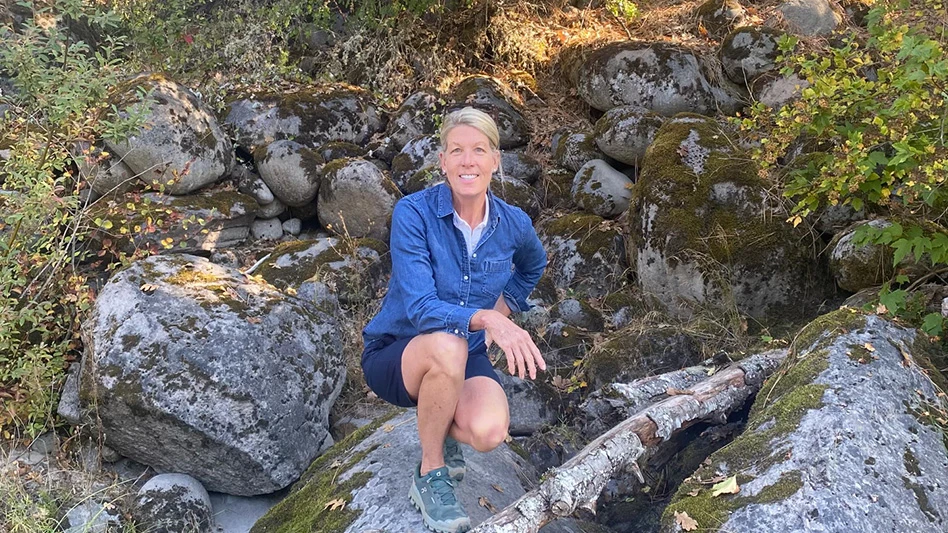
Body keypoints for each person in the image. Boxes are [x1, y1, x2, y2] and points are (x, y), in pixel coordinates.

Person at [361, 107, 548, 533]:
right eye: (457, 150)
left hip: (465, 354)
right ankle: (430, 472)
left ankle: (442, 424)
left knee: (488, 431)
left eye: (479, 150)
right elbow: (421, 308)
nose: (468, 161)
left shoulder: (513, 224)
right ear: (442, 161)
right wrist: (488, 319)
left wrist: (504, 308)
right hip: (398, 352)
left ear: (495, 160)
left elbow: (533, 266)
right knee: (449, 344)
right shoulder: (414, 213)